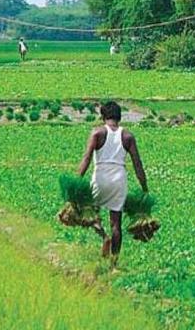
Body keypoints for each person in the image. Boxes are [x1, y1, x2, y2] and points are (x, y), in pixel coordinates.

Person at [77, 101, 148, 268]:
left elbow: (86, 159)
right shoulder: (128, 136)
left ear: (103, 117)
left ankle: (103, 236)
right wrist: (145, 188)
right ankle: (114, 264)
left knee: (90, 213)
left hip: (100, 176)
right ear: (119, 117)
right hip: (119, 179)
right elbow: (138, 164)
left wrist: (77, 180)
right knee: (116, 223)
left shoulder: (97, 133)